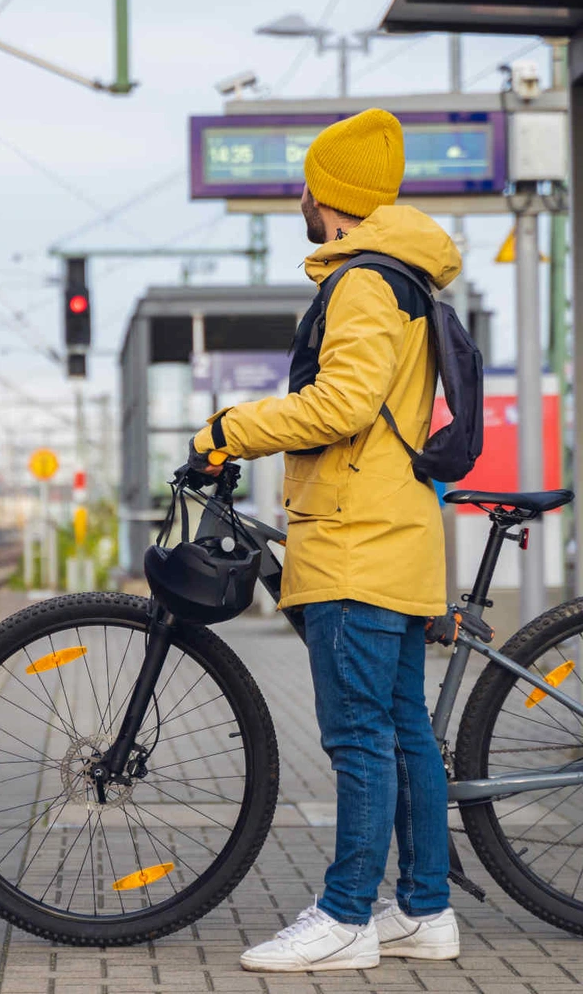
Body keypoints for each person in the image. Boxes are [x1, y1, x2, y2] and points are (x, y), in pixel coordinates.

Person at [188, 108, 462, 973]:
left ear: (329, 197)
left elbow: (342, 405)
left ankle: (345, 917)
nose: (300, 201)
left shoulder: (362, 283)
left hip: (355, 539)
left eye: (307, 188)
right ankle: (425, 910)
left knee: (359, 738)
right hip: (393, 530)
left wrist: (229, 429)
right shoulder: (404, 278)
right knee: (403, 730)